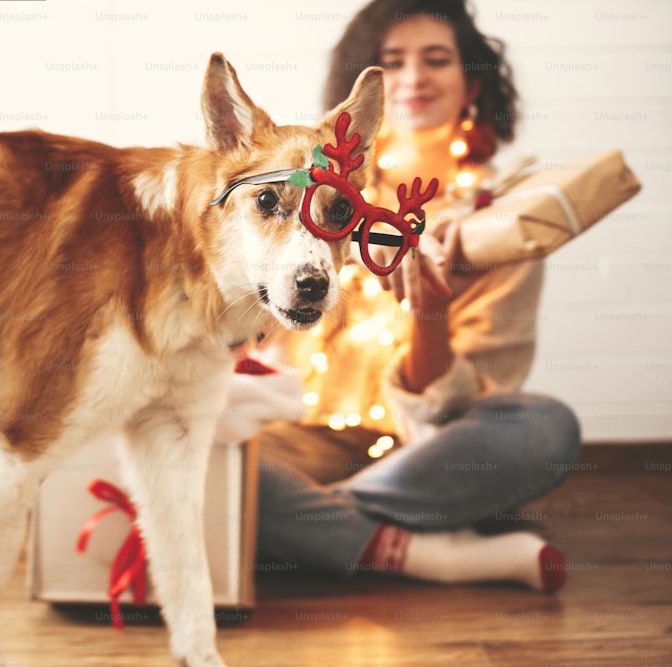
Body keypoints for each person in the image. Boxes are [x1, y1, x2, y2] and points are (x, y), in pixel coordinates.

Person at [223, 0, 581, 592]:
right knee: (186, 439)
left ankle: (303, 519)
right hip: (301, 436)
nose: (413, 78)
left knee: (545, 427)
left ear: (471, 83)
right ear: (361, 101)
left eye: (436, 59)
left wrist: (429, 317)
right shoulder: (316, 191)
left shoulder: (508, 225)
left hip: (425, 457)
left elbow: (457, 411)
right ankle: (419, 549)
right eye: (392, 62)